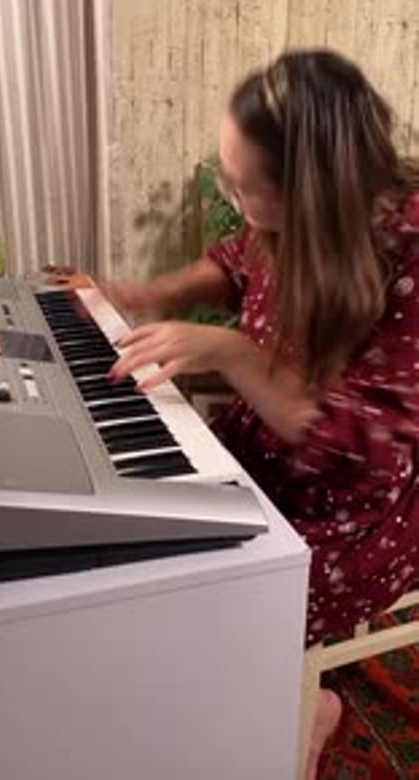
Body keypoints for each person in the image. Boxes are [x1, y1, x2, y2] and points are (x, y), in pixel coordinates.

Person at [106, 49, 419, 777]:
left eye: (248, 189)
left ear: (313, 198)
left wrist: (234, 354)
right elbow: (237, 258)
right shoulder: (300, 217)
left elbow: (361, 454)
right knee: (146, 537)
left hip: (363, 510)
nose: (233, 198)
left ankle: (301, 709)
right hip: (268, 451)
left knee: (207, 594)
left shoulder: (408, 256)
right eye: (228, 176)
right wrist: (157, 293)